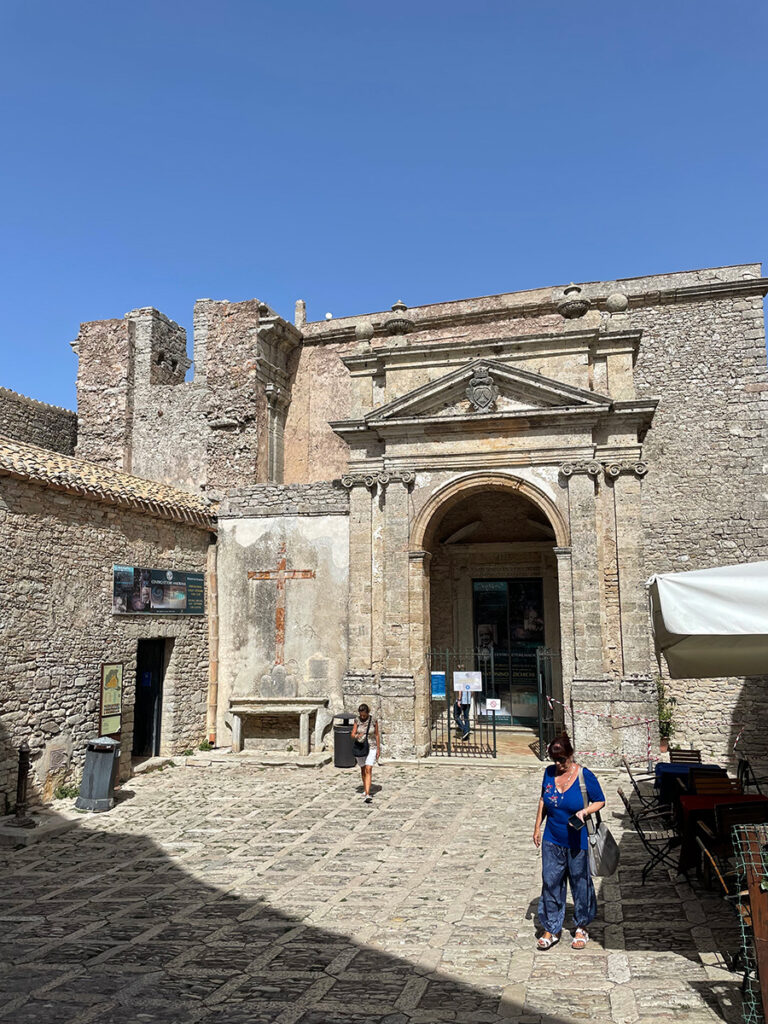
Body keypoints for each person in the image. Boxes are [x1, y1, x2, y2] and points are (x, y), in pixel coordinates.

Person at [532, 730, 605, 950]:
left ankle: (582, 925)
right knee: (551, 881)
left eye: (562, 759)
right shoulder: (548, 773)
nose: (558, 764)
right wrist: (537, 826)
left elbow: (600, 801)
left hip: (578, 839)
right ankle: (552, 927)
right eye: (555, 760)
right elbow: (543, 801)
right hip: (552, 838)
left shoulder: (584, 776)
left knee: (580, 882)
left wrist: (585, 811)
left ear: (571, 755)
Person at [351, 703, 380, 804]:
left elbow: (376, 734)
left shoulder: (373, 720)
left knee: (368, 768)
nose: (362, 717)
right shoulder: (357, 720)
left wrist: (378, 749)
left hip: (371, 746)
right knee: (363, 769)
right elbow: (352, 734)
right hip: (360, 747)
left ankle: (367, 794)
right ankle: (365, 787)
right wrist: (357, 736)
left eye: (364, 715)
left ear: (368, 713)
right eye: (361, 715)